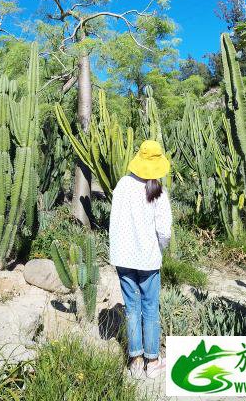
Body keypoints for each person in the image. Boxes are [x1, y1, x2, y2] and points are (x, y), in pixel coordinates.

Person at [109, 139, 172, 379]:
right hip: (147, 259)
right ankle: (153, 361)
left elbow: (114, 221)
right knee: (150, 308)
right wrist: (159, 249)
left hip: (123, 257)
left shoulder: (123, 185)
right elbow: (164, 231)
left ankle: (135, 361)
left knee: (132, 308)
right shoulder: (159, 191)